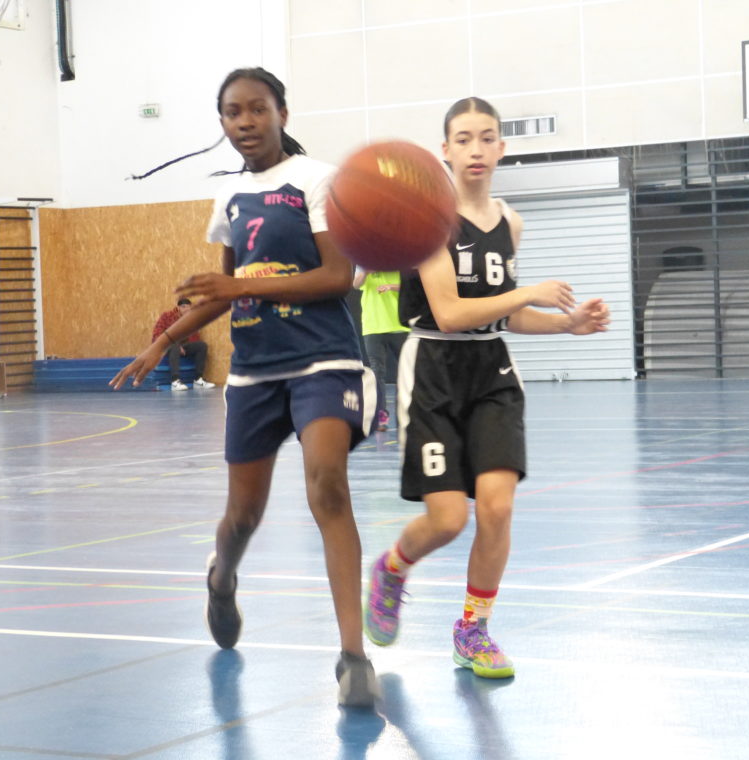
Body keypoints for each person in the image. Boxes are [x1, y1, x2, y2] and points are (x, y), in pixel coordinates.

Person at [110, 67, 379, 707]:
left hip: (323, 359)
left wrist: (238, 286)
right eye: (234, 112)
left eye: (258, 108)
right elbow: (222, 292)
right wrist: (162, 341)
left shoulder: (318, 180)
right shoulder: (229, 198)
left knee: (328, 486)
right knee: (242, 518)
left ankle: (353, 658)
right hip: (255, 370)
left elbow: (337, 276)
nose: (246, 121)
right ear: (223, 123)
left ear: (282, 112)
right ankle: (222, 578)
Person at [363, 97, 611, 679]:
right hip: (432, 369)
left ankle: (473, 630)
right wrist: (528, 293)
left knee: (497, 507)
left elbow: (504, 315)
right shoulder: (428, 221)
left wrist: (567, 325)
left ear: (501, 148)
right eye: (463, 139)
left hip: (492, 371)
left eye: (486, 137)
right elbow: (450, 313)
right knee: (449, 519)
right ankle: (392, 569)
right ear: (445, 151)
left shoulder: (510, 222)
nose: (476, 149)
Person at [352, 268, 409, 430]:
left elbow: (411, 287)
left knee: (406, 373)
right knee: (377, 372)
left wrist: (391, 286)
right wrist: (366, 271)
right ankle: (381, 417)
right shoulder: (364, 263)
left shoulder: (399, 260)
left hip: (399, 325)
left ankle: (406, 415)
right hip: (373, 326)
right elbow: (356, 285)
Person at [152, 297, 214, 390]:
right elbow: (158, 333)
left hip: (183, 346)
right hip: (166, 345)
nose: (186, 309)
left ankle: (198, 380)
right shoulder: (167, 316)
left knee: (202, 346)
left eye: (188, 307)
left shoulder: (192, 319)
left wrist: (185, 347)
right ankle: (175, 381)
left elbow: (195, 337)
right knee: (174, 346)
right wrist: (176, 345)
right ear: (178, 308)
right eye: (183, 307)